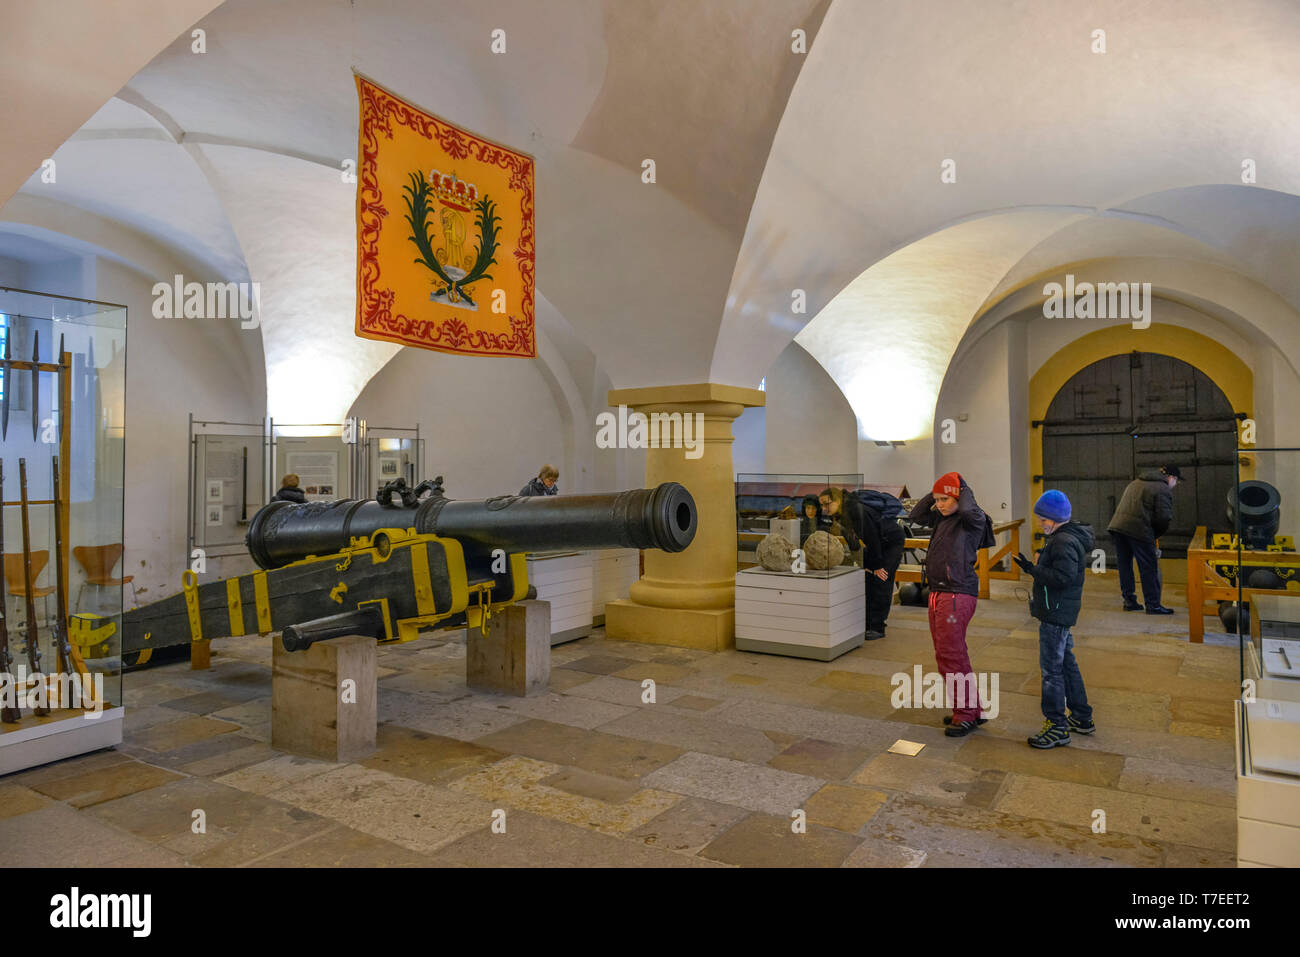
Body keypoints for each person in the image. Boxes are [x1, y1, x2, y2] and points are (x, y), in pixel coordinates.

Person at [909, 472, 991, 736]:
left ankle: (965, 714)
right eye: (938, 499)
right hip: (939, 593)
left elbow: (967, 507)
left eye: (946, 499)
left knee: (951, 655)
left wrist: (961, 486)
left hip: (956, 595)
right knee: (950, 654)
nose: (940, 504)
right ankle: (971, 709)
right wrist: (937, 491)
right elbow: (916, 515)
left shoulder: (973, 520)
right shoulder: (942, 517)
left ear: (959, 497)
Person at [1013, 490, 1096, 749]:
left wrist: (1033, 569)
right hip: (1059, 611)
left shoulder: (1062, 541)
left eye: (1042, 519)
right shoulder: (1066, 537)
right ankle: (1081, 717)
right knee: (1066, 664)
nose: (1040, 523)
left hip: (1056, 612)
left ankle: (1057, 726)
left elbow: (1063, 578)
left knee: (1051, 671)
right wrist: (1034, 567)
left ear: (1053, 518)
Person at [821, 487, 906, 641]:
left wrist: (878, 567)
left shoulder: (856, 510)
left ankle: (877, 626)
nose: (824, 508)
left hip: (891, 542)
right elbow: (853, 542)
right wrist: (862, 564)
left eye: (827, 504)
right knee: (867, 579)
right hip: (878, 543)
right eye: (822, 505)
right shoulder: (842, 514)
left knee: (881, 580)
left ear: (838, 500)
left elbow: (873, 538)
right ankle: (868, 621)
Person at [1107, 464, 1180, 614]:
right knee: (1148, 567)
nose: (1175, 485)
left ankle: (1129, 601)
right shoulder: (1162, 488)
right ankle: (1153, 605)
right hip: (1139, 529)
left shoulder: (1136, 482)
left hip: (1119, 528)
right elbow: (1163, 518)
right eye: (1177, 481)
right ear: (1171, 477)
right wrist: (1155, 536)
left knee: (1125, 566)